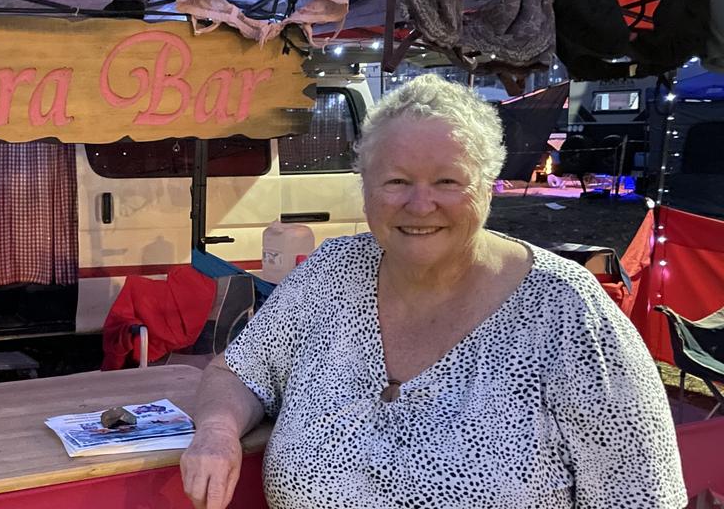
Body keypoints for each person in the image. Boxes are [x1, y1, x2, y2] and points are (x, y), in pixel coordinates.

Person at [180, 74, 685, 509]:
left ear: (488, 186)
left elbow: (642, 495)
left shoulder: (570, 314)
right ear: (365, 186)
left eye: (448, 181)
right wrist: (218, 433)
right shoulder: (333, 273)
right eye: (397, 181)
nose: (420, 205)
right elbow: (239, 372)